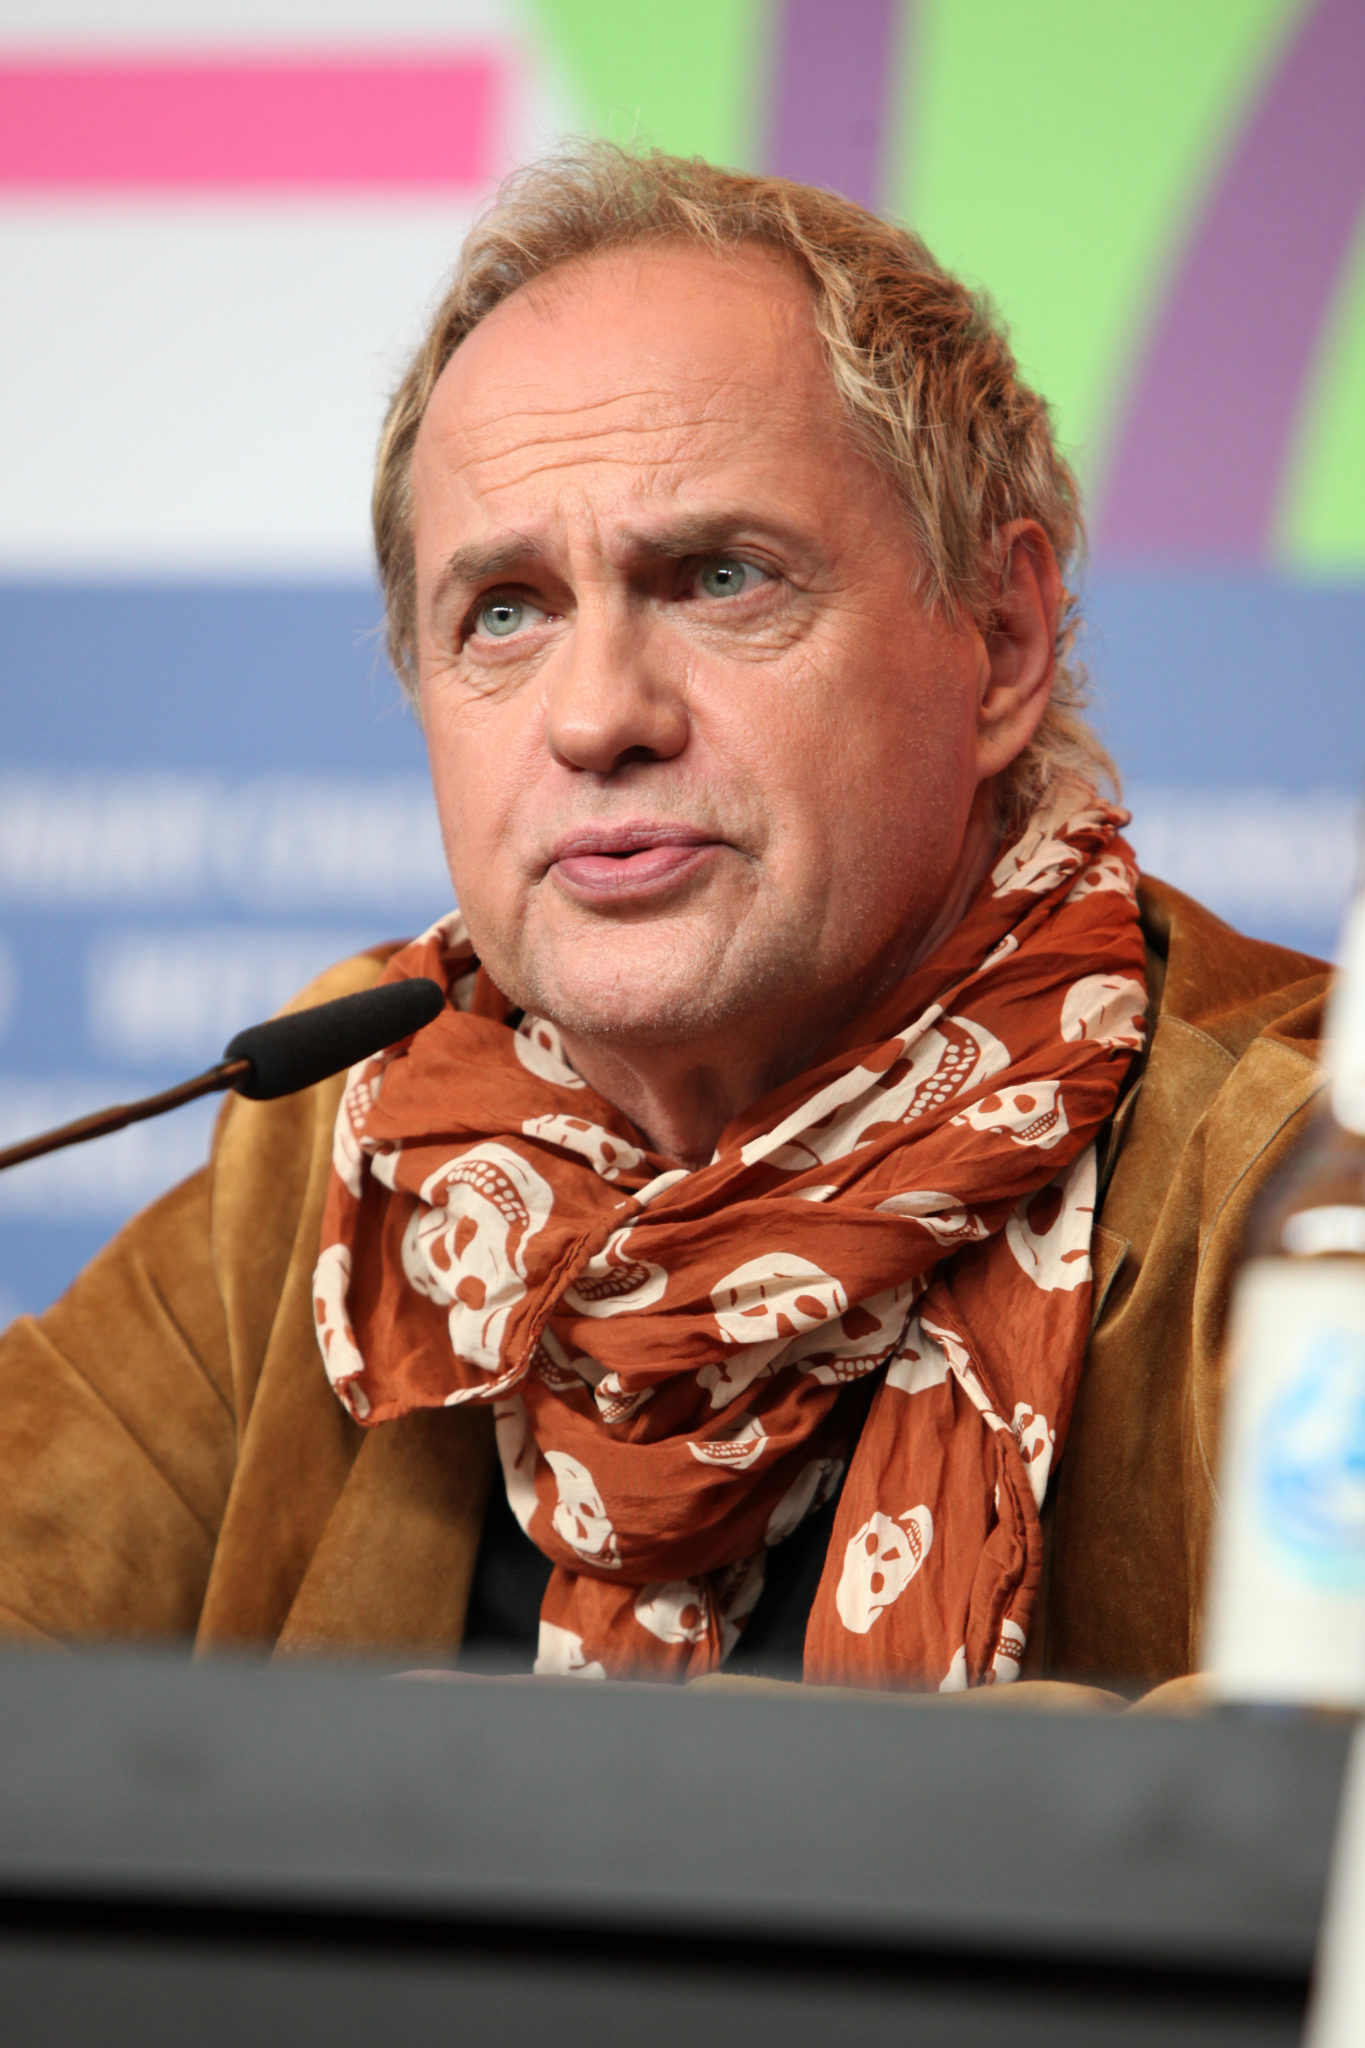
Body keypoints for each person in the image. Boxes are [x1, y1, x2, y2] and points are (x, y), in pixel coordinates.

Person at [0, 148, 1329, 1697]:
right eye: (504, 610)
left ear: (1001, 640)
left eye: (717, 578)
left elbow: (1316, 1791)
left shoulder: (1300, 1186)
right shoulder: (357, 1147)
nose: (595, 718)